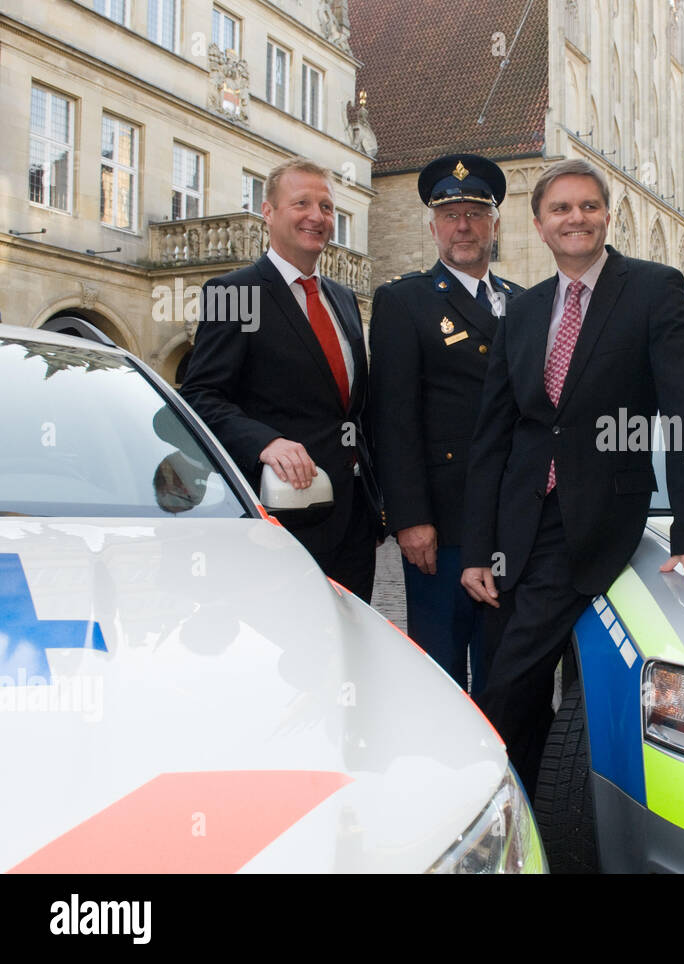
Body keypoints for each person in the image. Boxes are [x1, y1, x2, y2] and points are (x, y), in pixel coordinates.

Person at [460, 158, 684, 794]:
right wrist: (477, 548)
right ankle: (525, 812)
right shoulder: (522, 311)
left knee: (503, 686)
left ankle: (477, 802)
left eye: (587, 206)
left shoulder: (652, 289)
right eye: (560, 209)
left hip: (592, 518)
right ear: (538, 224)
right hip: (515, 522)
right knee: (515, 684)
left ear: (607, 216)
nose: (575, 219)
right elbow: (493, 437)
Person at [181, 157, 382, 600]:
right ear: (268, 212)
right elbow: (200, 396)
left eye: (327, 207)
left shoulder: (343, 298)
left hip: (353, 521)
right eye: (302, 203)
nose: (317, 216)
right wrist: (265, 443)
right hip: (283, 517)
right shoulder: (236, 293)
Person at [368, 154, 520, 691]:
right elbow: (392, 418)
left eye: (476, 214)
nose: (464, 225)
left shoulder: (524, 303)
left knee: (507, 671)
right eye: (451, 214)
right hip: (443, 524)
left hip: (513, 517)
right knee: (442, 670)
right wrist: (409, 517)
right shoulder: (404, 300)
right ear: (432, 226)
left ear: (495, 224)